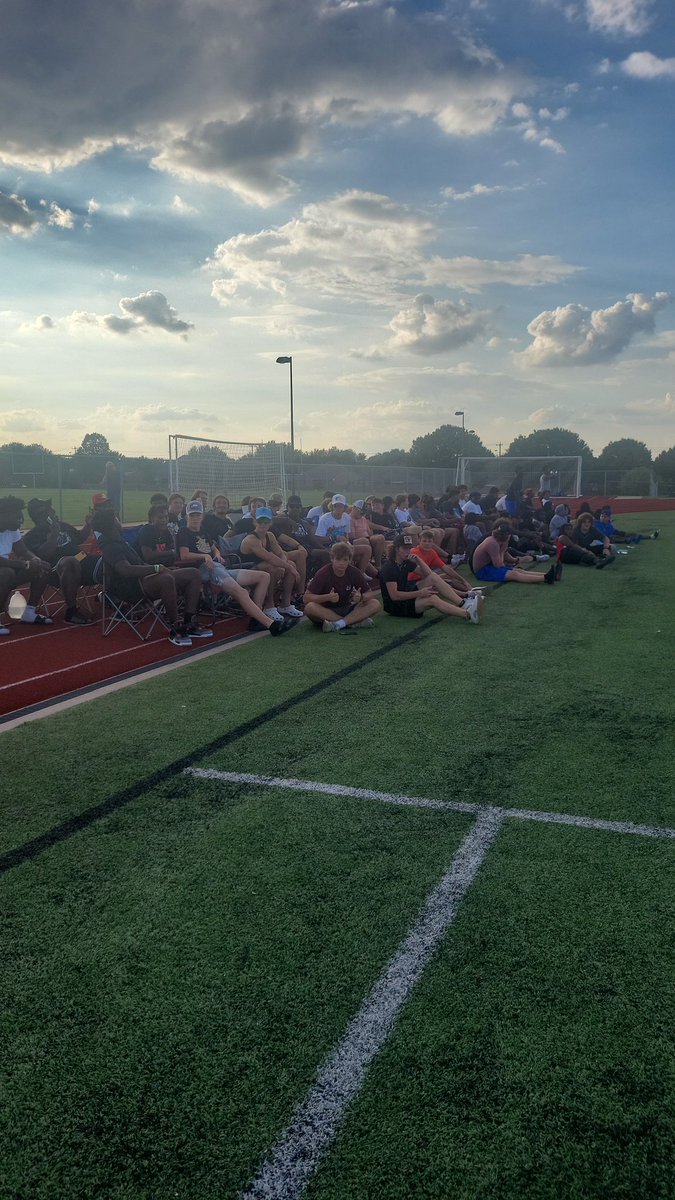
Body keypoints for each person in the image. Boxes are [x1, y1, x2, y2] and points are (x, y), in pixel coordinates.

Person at [176, 501, 293, 635]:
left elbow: (214, 548)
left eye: (197, 515)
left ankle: (256, 619)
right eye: (192, 516)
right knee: (241, 592)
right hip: (203, 569)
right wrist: (204, 557)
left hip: (218, 567)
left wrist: (217, 555)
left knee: (264, 576)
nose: (195, 518)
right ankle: (271, 625)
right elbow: (184, 555)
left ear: (202, 517)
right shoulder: (183, 532)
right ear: (186, 518)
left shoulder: (203, 532)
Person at [96, 506, 207, 646]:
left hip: (146, 580)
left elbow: (140, 562)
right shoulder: (110, 546)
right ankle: (175, 626)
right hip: (132, 587)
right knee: (166, 578)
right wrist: (155, 568)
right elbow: (126, 570)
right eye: (117, 520)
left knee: (193, 574)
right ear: (112, 524)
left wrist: (162, 569)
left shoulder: (120, 541)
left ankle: (188, 621)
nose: (120, 522)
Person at [22, 497, 98, 624]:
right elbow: (43, 554)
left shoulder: (63, 525)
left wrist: (88, 524)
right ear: (40, 515)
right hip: (58, 571)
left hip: (83, 561)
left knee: (110, 559)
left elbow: (79, 538)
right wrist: (53, 536)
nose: (53, 511)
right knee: (70, 562)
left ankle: (114, 599)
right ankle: (71, 612)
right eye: (49, 510)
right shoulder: (32, 536)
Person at [380, 534, 480, 622]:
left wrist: (419, 560)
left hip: (406, 595)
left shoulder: (406, 562)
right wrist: (420, 593)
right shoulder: (389, 567)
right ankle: (468, 613)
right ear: (397, 549)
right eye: (405, 548)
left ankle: (464, 603)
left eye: (409, 548)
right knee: (432, 599)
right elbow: (394, 596)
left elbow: (430, 575)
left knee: (433, 578)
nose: (408, 551)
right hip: (395, 606)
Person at [0, 495, 53, 635]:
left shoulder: (12, 530)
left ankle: (29, 612)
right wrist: (22, 564)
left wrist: (36, 559)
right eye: (17, 515)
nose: (21, 519)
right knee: (6, 573)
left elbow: (22, 550)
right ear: (4, 515)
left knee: (40, 567)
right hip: (4, 572)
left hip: (6, 571)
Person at [239, 506, 304, 621]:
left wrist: (286, 565)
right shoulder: (251, 539)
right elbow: (269, 557)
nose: (263, 524)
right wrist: (286, 566)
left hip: (263, 567)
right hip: (246, 569)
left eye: (266, 521)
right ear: (255, 522)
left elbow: (280, 553)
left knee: (290, 565)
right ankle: (269, 606)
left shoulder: (270, 535)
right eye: (260, 521)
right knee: (273, 567)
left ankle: (285, 604)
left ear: (270, 523)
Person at [304, 542, 381, 632]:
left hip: (347, 607)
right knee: (310, 608)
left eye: (345, 560)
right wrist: (327, 597)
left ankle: (339, 624)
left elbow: (370, 594)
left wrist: (361, 597)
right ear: (332, 559)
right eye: (338, 559)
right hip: (326, 610)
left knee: (375, 603)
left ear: (349, 560)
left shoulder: (354, 572)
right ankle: (353, 622)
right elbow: (306, 598)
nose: (341, 563)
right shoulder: (323, 573)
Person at [473, 523, 556, 585]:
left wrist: (511, 557)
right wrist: (503, 549)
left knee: (518, 570)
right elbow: (499, 565)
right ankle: (545, 578)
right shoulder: (492, 543)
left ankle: (548, 575)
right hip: (482, 571)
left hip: (487, 567)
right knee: (514, 574)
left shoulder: (495, 541)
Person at [315, 495, 374, 575]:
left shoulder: (346, 517)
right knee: (351, 554)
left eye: (340, 506)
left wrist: (347, 543)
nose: (338, 508)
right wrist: (334, 537)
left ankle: (361, 574)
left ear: (344, 507)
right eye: (336, 506)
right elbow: (318, 539)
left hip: (343, 544)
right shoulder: (325, 519)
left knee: (367, 549)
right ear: (332, 506)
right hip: (329, 546)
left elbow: (346, 535)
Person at [409, 530, 473, 598]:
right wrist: (441, 580)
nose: (427, 543)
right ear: (419, 541)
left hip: (425, 579)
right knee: (440, 582)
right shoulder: (414, 552)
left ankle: (470, 590)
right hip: (412, 583)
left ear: (433, 543)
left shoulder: (432, 552)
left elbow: (445, 568)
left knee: (448, 576)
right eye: (424, 541)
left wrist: (463, 580)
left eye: (429, 541)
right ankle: (466, 595)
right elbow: (423, 573)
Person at [594, 508, 659, 543]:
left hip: (612, 535)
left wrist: (624, 533)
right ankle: (630, 539)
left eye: (605, 517)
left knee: (628, 533)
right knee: (613, 538)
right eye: (602, 516)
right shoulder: (596, 523)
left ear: (609, 518)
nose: (603, 518)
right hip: (604, 539)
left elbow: (615, 531)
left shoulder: (610, 525)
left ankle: (650, 537)